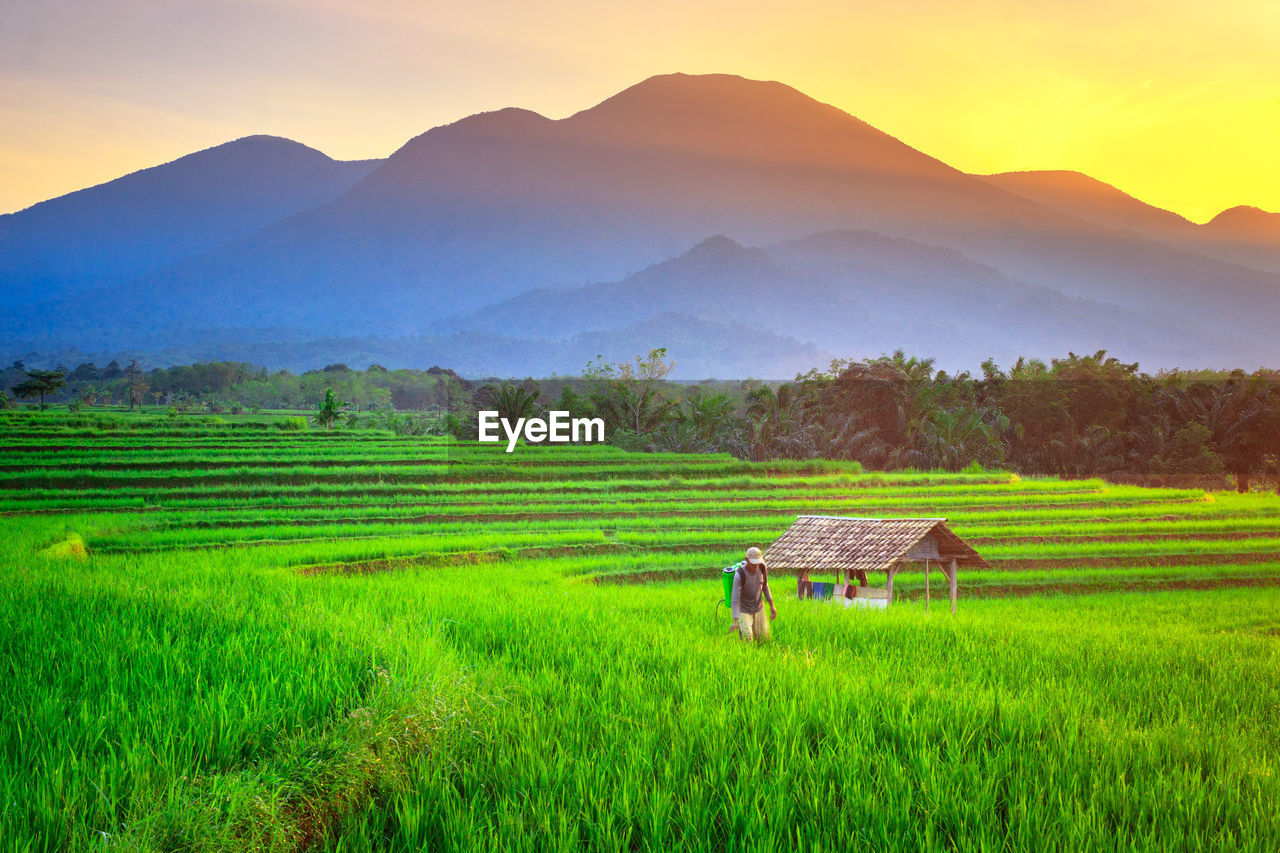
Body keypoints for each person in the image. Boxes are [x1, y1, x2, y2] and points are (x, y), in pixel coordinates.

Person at [731, 546, 776, 641]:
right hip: (744, 610)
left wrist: (772, 605)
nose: (755, 567)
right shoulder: (739, 575)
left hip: (759, 607)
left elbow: (765, 587)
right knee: (748, 638)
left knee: (763, 637)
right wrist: (735, 620)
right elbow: (735, 599)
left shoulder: (762, 568)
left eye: (757, 564)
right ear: (746, 560)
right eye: (753, 564)